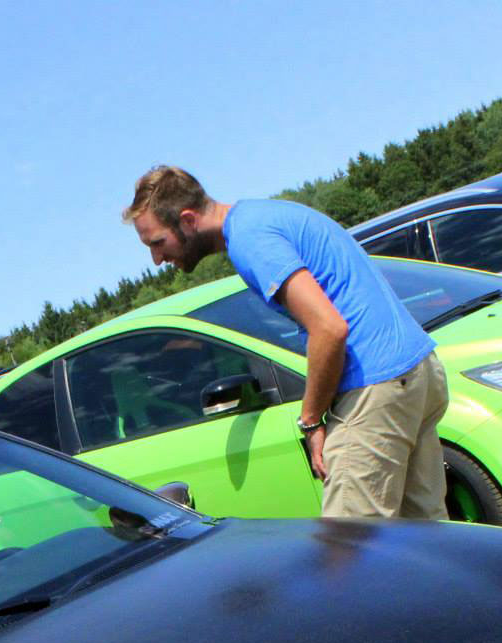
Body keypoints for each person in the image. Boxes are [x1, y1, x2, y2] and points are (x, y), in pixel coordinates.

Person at [123, 165, 449, 521]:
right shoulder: (264, 215)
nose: (157, 260)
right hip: (418, 371)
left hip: (375, 388)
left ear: (187, 220)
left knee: (352, 552)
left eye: (157, 243)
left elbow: (329, 328)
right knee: (427, 541)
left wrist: (310, 420)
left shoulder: (250, 240)